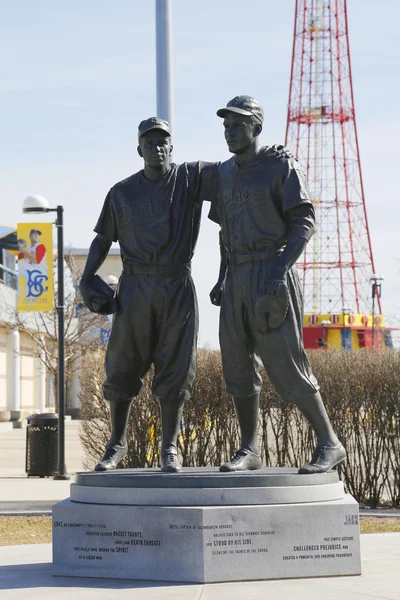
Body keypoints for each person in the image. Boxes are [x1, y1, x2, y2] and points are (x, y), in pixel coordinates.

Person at [209, 95, 346, 474]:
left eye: (238, 124)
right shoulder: (223, 173)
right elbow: (225, 231)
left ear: (256, 126)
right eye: (226, 125)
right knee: (236, 367)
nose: (230, 132)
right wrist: (222, 278)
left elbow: (304, 221)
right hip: (236, 275)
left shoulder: (280, 164)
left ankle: (329, 442)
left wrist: (279, 269)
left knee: (287, 365)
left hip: (271, 272)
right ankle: (249, 449)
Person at [80, 117, 216, 473]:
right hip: (136, 287)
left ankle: (169, 447)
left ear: (172, 147)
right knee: (122, 364)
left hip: (176, 285)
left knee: (176, 367)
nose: (157, 148)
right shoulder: (122, 191)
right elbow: (101, 239)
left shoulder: (190, 178)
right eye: (149, 143)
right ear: (139, 149)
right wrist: (85, 277)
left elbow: (237, 169)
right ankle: (116, 443)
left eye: (163, 142)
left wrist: (269, 156)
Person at [18, 229, 49, 298]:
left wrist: (25, 252)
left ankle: (16, 292)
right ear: (29, 236)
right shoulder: (28, 249)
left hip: (39, 273)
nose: (36, 235)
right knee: (29, 300)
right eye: (34, 234)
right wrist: (21, 249)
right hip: (30, 275)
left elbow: (36, 260)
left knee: (19, 264)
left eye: (38, 234)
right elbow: (17, 256)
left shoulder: (40, 246)